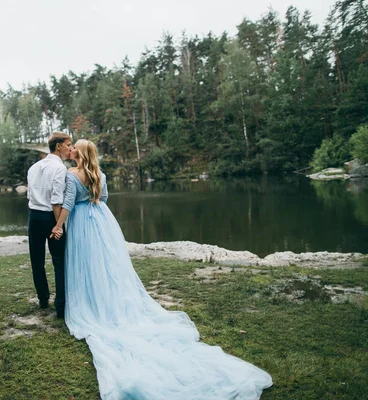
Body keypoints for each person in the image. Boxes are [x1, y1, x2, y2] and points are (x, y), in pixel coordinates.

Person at [51, 139, 273, 400]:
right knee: (107, 266)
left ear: (80, 152)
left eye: (74, 146)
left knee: (87, 266)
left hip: (81, 223)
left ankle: (92, 304)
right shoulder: (100, 174)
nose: (71, 149)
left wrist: (58, 226)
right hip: (101, 221)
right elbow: (105, 198)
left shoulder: (70, 175)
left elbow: (67, 204)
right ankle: (108, 302)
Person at [27, 132, 72, 319]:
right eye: (68, 144)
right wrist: (59, 226)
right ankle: (60, 306)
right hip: (50, 217)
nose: (70, 148)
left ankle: (43, 298)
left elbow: (30, 195)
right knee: (59, 261)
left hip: (33, 217)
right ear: (58, 146)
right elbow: (56, 199)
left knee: (36, 260)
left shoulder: (33, 167)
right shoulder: (60, 168)